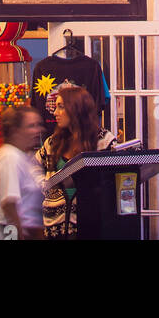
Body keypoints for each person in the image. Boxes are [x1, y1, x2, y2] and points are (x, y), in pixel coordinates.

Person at [35, 84, 116, 239]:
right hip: (54, 228)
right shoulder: (52, 143)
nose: (55, 112)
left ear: (76, 109)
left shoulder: (103, 141)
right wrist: (44, 184)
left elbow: (114, 180)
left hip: (90, 226)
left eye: (61, 107)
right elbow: (34, 167)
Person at [0, 106, 46, 240]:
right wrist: (18, 235)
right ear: (16, 131)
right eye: (31, 126)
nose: (39, 130)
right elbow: (9, 204)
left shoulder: (25, 156)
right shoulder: (9, 157)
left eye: (39, 124)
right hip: (3, 231)